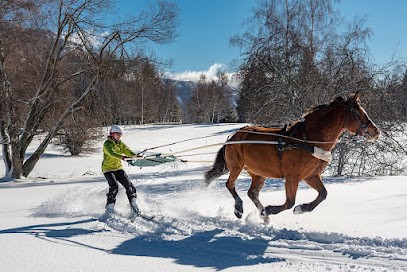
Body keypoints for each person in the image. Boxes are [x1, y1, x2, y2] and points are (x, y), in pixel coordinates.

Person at [102, 125, 141, 215]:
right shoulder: (107, 144)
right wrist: (122, 157)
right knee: (114, 186)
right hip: (108, 169)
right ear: (112, 134)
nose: (119, 136)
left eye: (120, 134)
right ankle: (110, 208)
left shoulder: (120, 143)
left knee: (129, 186)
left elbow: (128, 151)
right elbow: (112, 153)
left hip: (118, 168)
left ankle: (134, 205)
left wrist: (135, 156)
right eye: (117, 134)